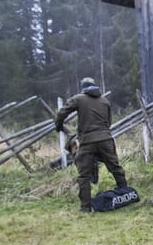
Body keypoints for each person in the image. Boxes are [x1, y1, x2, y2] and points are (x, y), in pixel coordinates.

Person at [54, 77, 129, 213]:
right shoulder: (104, 101)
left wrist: (58, 125)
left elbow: (62, 112)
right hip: (106, 139)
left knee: (84, 175)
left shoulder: (79, 99)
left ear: (83, 87)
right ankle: (126, 194)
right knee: (115, 168)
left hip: (88, 141)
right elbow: (109, 122)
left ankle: (85, 207)